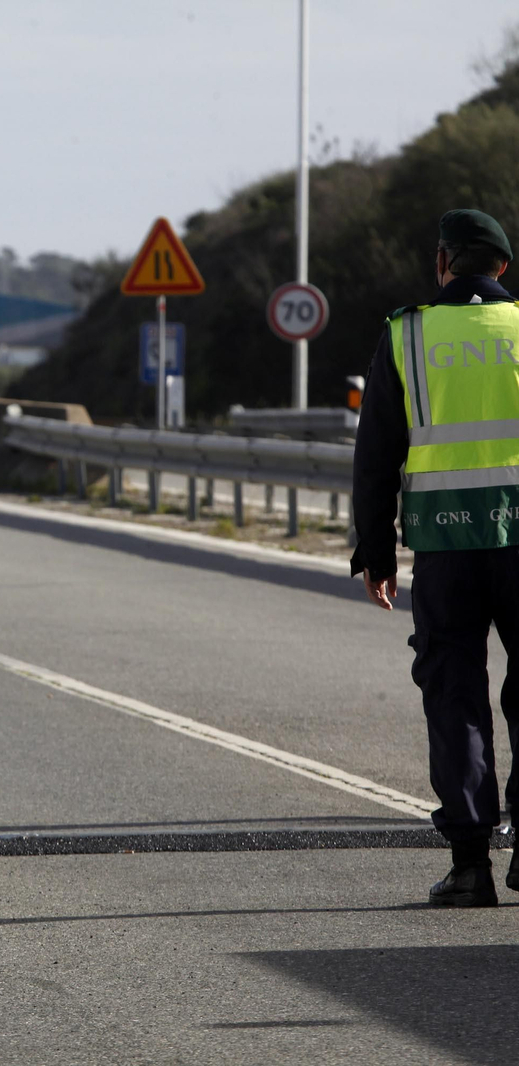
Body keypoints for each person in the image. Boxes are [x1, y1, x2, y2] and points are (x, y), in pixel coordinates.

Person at [353, 208, 519, 907]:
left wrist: (375, 550)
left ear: (444, 262)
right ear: (502, 267)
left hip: (445, 545)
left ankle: (471, 865)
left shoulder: (407, 333)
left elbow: (377, 453)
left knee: (455, 696)